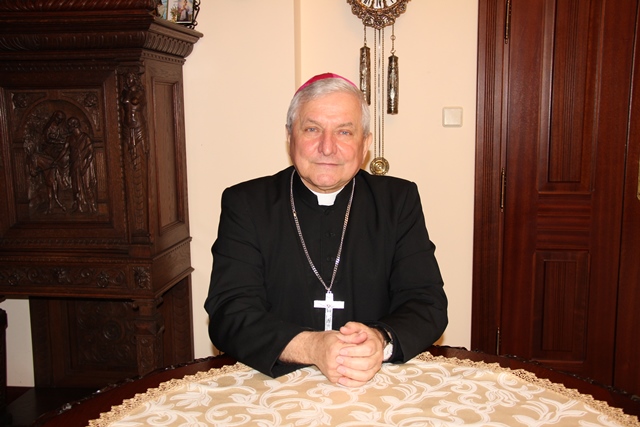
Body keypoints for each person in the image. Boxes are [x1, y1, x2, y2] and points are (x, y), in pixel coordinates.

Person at [205, 72, 447, 387]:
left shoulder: (397, 201)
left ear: (365, 143)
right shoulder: (247, 203)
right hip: (274, 383)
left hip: (374, 380)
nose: (327, 147)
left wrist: (378, 340)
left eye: (344, 132)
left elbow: (427, 302)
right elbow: (229, 311)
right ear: (290, 136)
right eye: (312, 129)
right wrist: (311, 346)